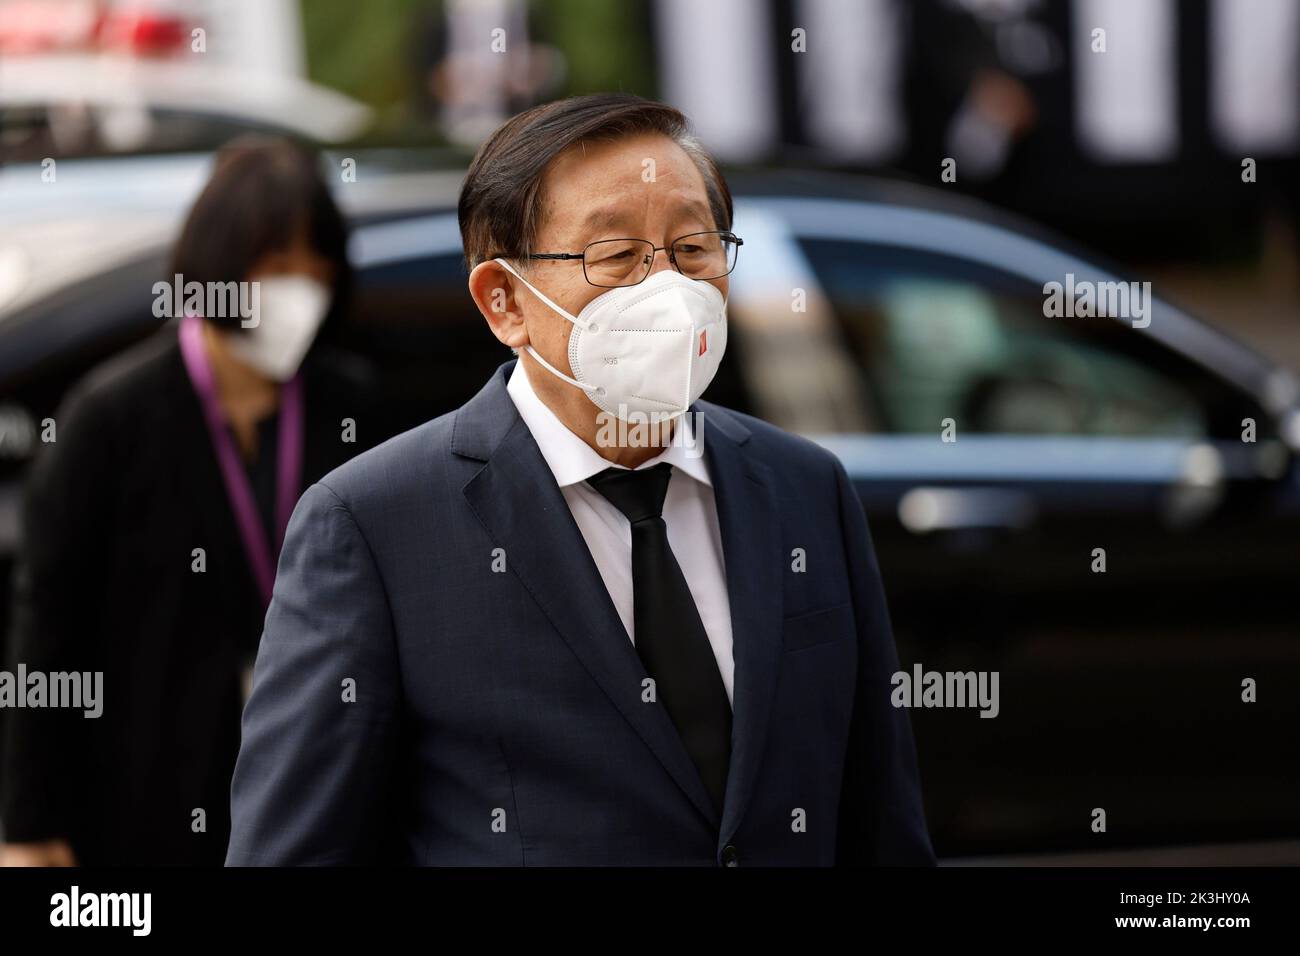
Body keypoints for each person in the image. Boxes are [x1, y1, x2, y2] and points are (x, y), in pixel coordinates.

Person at [227, 93, 933, 866]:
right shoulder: (375, 526)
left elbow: (879, 820)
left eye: (693, 248)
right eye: (616, 254)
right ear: (504, 303)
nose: (666, 288)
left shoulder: (805, 490)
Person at [0, 137, 380, 866]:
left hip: (312, 788)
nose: (300, 290)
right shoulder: (110, 418)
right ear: (218, 264)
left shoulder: (347, 402)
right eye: (276, 268)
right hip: (145, 802)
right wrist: (28, 825)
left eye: (316, 269)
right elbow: (47, 625)